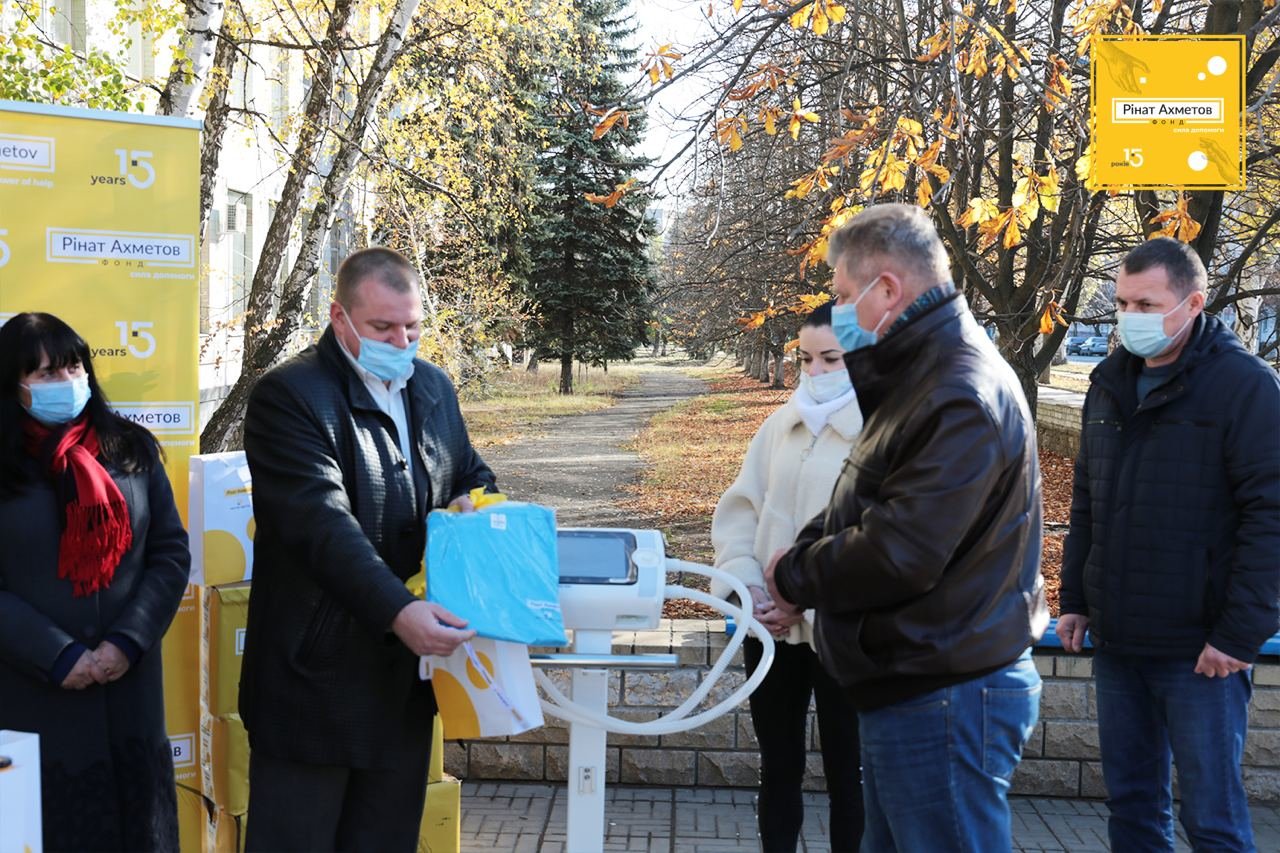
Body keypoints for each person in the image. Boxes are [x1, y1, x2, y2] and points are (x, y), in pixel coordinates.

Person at [764, 203, 1048, 851]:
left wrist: (795, 574)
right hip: (919, 685)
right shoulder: (920, 376)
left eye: (844, 295)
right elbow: (865, 500)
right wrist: (803, 555)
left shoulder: (955, 390)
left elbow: (899, 552)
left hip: (944, 693)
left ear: (887, 289)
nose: (838, 311)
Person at [240, 247, 496, 852]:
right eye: (382, 327)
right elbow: (320, 525)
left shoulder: (431, 387)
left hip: (402, 685)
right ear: (340, 317)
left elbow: (470, 472)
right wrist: (399, 611)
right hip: (313, 686)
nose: (401, 342)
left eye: (412, 327)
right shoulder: (290, 395)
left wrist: (474, 503)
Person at [1057, 237, 1280, 851]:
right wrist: (1075, 599)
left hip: (1201, 651)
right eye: (1123, 304)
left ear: (1193, 303)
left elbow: (1271, 517)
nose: (1130, 317)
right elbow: (1088, 500)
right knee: (1132, 809)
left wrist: (1237, 635)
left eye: (1147, 305)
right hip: (1119, 642)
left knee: (1212, 819)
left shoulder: (1244, 387)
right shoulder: (1108, 384)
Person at [0, 312, 190, 852]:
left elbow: (169, 553)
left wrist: (128, 641)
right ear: (11, 384)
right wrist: (58, 654)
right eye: (45, 374)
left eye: (73, 367)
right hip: (33, 703)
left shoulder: (129, 448)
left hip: (128, 696)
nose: (65, 382)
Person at [711, 303, 864, 852]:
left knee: (851, 773)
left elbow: (879, 541)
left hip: (848, 633)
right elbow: (740, 512)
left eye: (831, 359)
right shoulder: (780, 425)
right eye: (806, 359)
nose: (816, 372)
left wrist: (804, 597)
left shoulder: (884, 431)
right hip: (770, 632)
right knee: (778, 767)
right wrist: (749, 587)